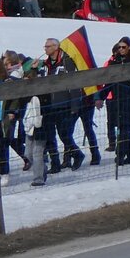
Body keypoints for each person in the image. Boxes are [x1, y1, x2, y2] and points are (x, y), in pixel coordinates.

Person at [100, 37, 130, 166]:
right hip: (118, 99)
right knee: (122, 127)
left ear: (129, 47)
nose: (121, 49)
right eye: (119, 47)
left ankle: (120, 155)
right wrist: (100, 97)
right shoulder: (114, 63)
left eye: (123, 47)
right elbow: (109, 83)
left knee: (125, 128)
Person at [40, 37, 83, 172]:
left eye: (48, 46)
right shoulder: (45, 64)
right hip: (48, 104)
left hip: (64, 104)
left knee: (64, 134)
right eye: (45, 46)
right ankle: (55, 164)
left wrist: (75, 105)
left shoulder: (67, 61)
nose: (45, 49)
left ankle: (77, 154)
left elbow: (74, 83)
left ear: (56, 47)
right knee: (49, 136)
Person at [21, 61, 50, 186]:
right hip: (29, 126)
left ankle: (38, 179)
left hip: (41, 126)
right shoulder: (25, 95)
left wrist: (35, 71)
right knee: (28, 154)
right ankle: (42, 169)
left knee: (37, 153)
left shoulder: (43, 92)